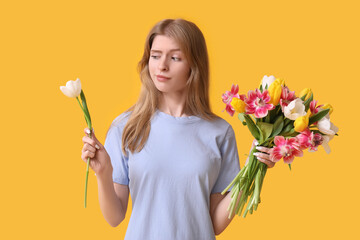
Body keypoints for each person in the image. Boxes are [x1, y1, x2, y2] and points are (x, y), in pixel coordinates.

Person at [81, 18, 275, 240]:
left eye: (175, 58)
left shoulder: (220, 132)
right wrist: (103, 173)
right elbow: (114, 217)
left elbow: (213, 224)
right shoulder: (126, 127)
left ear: (194, 66)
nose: (162, 66)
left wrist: (252, 169)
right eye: (155, 56)